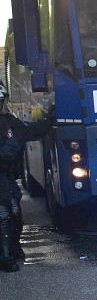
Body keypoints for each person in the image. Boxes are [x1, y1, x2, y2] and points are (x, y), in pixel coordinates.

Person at [0, 83, 54, 272]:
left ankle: (13, 248)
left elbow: (30, 130)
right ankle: (5, 256)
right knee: (3, 213)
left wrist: (49, 119)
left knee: (14, 209)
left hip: (5, 175)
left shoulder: (9, 121)